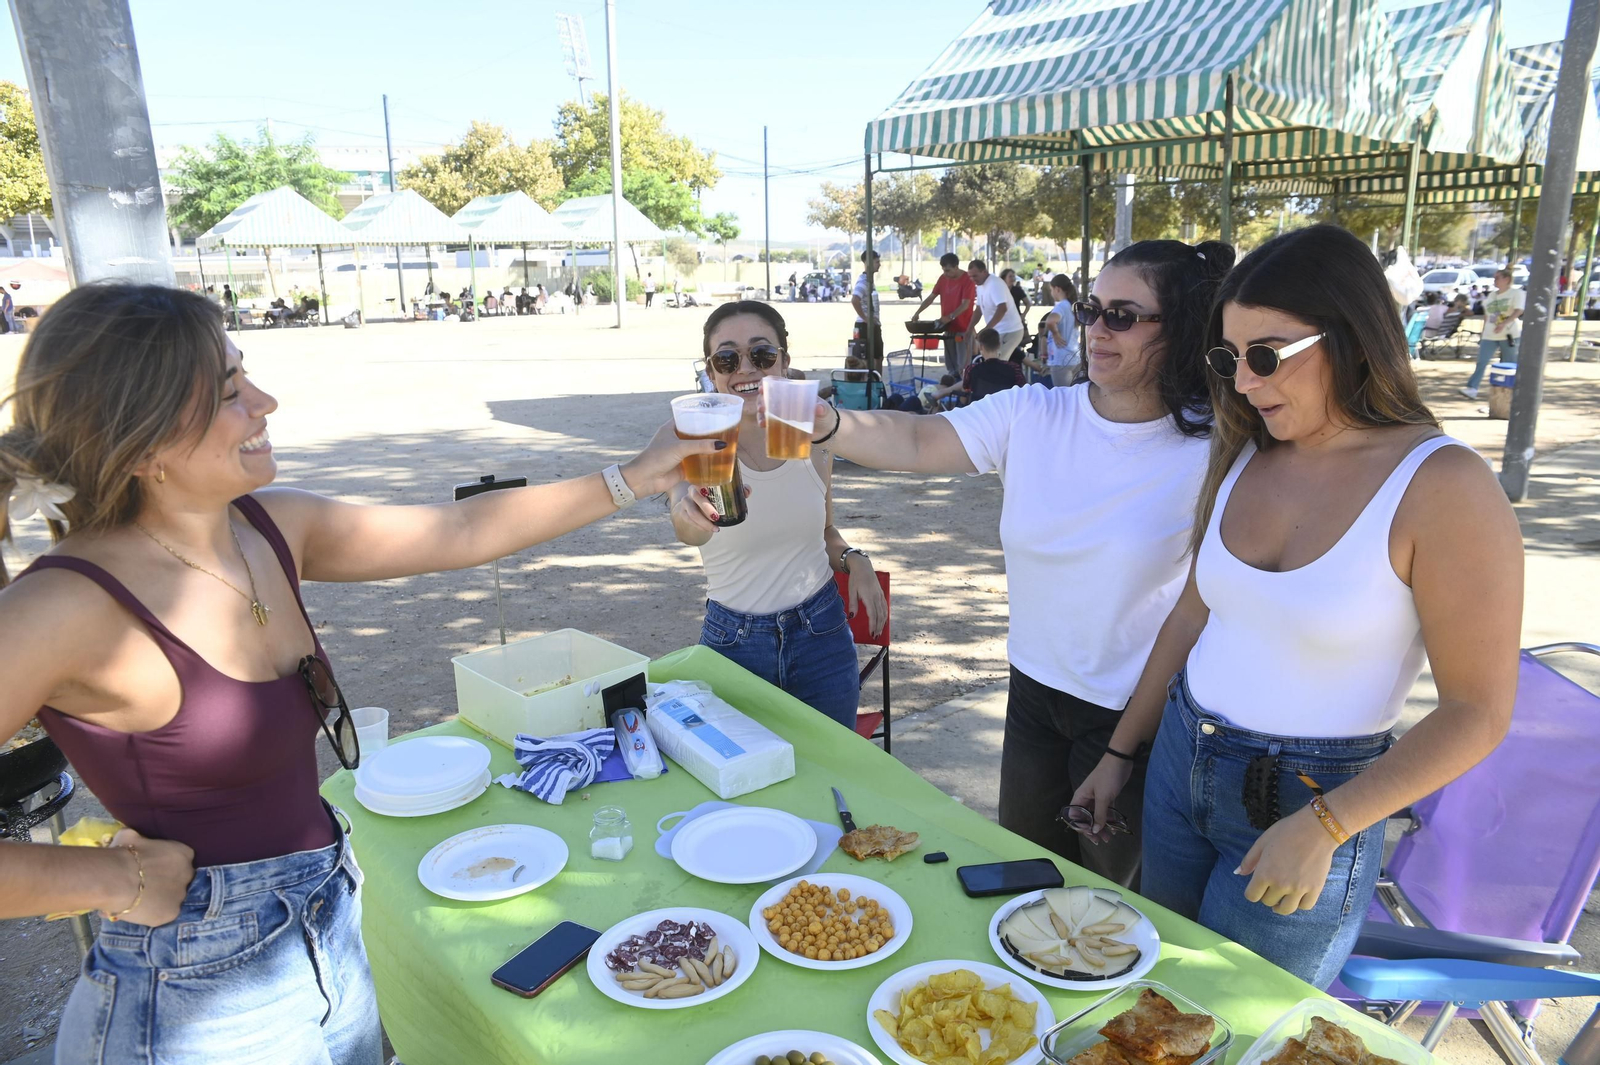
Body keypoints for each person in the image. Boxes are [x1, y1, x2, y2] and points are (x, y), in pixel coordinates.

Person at [0, 284, 716, 1064]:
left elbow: (460, 528)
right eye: (231, 392)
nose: (265, 402)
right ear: (140, 443)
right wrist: (109, 879)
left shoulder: (271, 527)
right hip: (192, 1000)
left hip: (328, 933)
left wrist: (635, 476)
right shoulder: (63, 606)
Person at [1072, 224, 1521, 988]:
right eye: (1228, 358)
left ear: (1350, 339)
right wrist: (1121, 753)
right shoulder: (1249, 444)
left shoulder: (1444, 486)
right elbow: (1192, 616)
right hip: (1182, 759)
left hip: (1314, 796)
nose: (1244, 384)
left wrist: (1327, 825)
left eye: (1267, 355)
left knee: (1238, 1018)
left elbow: (1477, 712)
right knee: (1152, 998)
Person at [780, 240, 1234, 887]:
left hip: (1138, 713)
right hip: (1033, 695)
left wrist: (1121, 749)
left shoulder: (1215, 450)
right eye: (1091, 309)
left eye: (1123, 316)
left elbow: (1202, 611)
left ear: (1182, 327)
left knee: (1117, 903)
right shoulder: (1034, 412)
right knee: (1026, 881)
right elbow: (917, 440)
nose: (1096, 329)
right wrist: (829, 424)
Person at [669, 301, 886, 729]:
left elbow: (824, 531)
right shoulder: (693, 437)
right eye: (727, 358)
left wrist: (855, 559)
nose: (746, 368)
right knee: (745, 768)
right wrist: (690, 513)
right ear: (711, 372)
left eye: (762, 354)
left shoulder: (812, 435)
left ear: (784, 362)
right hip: (735, 645)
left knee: (829, 766)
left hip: (822, 636)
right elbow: (685, 527)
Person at [1461, 268, 1524, 398]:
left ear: (1507, 279)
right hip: (1490, 334)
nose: (1495, 281)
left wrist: (1504, 323)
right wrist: (1483, 331)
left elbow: (1518, 310)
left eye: (1497, 278)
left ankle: (1510, 390)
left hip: (1509, 334)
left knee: (1509, 362)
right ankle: (1472, 387)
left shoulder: (1516, 293)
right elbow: (1487, 314)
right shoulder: (1492, 295)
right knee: (1482, 360)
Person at [911, 253, 977, 375]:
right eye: (943, 270)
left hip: (963, 328)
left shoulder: (967, 280)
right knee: (951, 366)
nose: (945, 273)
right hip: (948, 327)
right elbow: (931, 297)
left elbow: (965, 305)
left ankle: (963, 384)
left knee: (963, 365)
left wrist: (950, 316)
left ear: (956, 267)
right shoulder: (943, 278)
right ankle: (952, 382)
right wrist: (918, 312)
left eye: (948, 270)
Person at [930, 328, 1027, 405]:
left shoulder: (972, 369)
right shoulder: (1014, 368)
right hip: (1007, 413)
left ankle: (941, 393)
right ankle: (941, 393)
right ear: (998, 345)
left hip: (980, 415)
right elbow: (1024, 393)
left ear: (981, 347)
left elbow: (964, 400)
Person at [968, 260, 1025, 362]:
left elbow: (1002, 308)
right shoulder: (980, 286)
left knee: (998, 361)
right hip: (997, 331)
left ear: (984, 272)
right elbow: (979, 309)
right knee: (990, 360)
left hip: (1011, 330)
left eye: (975, 276)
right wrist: (969, 327)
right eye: (970, 276)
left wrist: (987, 329)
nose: (972, 279)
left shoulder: (995, 284)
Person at [1036, 274, 1081, 387]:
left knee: (1062, 394)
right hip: (1074, 357)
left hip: (1060, 359)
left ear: (1057, 289)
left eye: (1051, 290)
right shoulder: (1072, 305)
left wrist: (1056, 334)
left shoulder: (1061, 306)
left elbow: (1050, 321)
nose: (1051, 293)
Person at [852, 251, 884, 376]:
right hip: (865, 326)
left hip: (872, 325)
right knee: (867, 359)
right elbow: (855, 300)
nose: (879, 265)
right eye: (877, 262)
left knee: (878, 357)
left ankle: (876, 382)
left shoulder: (869, 281)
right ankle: (871, 383)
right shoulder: (863, 282)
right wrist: (866, 319)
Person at [1001, 268, 1032, 333]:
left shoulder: (1018, 290)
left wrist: (1023, 315)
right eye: (1010, 276)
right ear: (1004, 278)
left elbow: (1028, 303)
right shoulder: (999, 290)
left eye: (1013, 276)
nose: (1013, 278)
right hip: (1002, 320)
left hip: (1016, 318)